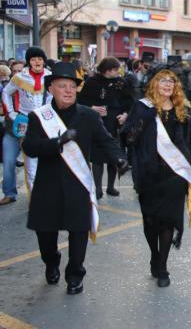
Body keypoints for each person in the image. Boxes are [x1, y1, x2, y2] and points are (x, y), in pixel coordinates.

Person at [22, 62, 127, 294]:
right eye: (62, 86)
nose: (69, 90)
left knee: (79, 231)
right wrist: (56, 143)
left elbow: (105, 140)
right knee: (45, 235)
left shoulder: (88, 115)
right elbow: (29, 146)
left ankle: (75, 274)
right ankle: (51, 262)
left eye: (72, 86)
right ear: (51, 89)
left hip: (78, 184)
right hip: (48, 185)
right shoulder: (39, 117)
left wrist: (119, 158)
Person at [122, 69, 191, 288]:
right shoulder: (143, 107)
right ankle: (154, 255)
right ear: (154, 84)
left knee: (168, 220)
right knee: (150, 221)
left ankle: (163, 265)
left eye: (172, 81)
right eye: (163, 80)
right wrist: (137, 125)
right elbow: (129, 136)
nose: (168, 84)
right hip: (148, 173)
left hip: (174, 175)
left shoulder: (182, 109)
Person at [0, 47, 52, 205]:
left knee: (35, 164)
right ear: (29, 61)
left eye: (40, 59)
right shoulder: (19, 77)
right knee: (19, 162)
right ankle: (21, 197)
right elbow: (6, 93)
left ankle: (39, 199)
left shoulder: (50, 76)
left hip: (42, 124)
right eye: (34, 59)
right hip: (21, 124)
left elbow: (53, 96)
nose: (37, 62)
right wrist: (10, 112)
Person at [78, 57, 133, 198]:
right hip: (97, 122)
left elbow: (129, 101)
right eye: (115, 69)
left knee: (113, 156)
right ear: (106, 70)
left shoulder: (121, 82)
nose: (117, 72)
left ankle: (111, 186)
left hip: (115, 122)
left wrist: (125, 114)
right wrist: (92, 108)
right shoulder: (92, 82)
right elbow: (81, 100)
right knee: (97, 158)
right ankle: (97, 188)